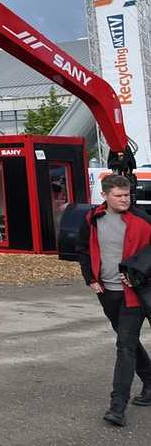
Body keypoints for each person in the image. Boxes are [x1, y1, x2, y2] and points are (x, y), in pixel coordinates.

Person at [78, 173, 151, 427]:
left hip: (134, 295)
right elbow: (83, 249)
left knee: (124, 346)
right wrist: (90, 278)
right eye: (118, 196)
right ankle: (150, 384)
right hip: (106, 292)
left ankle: (117, 407)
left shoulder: (142, 220)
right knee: (127, 340)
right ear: (105, 196)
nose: (124, 200)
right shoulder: (92, 218)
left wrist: (140, 276)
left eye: (127, 195)